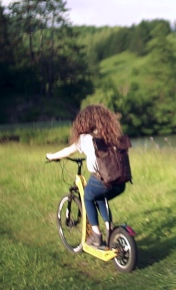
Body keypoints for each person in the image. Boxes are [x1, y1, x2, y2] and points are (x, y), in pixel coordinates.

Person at [46, 104, 127, 247]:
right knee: (100, 197)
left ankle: (96, 236)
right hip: (120, 181)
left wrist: (52, 156)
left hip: (102, 180)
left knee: (88, 197)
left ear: (84, 122)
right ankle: (110, 230)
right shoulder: (111, 134)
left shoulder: (85, 138)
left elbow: (69, 151)